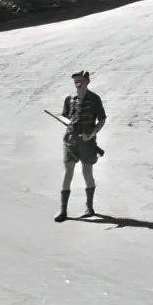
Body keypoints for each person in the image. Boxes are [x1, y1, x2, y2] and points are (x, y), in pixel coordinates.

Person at [56, 70, 105, 221]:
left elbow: (102, 120)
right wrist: (69, 125)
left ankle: (89, 208)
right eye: (76, 81)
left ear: (87, 82)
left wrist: (91, 134)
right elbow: (66, 117)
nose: (78, 83)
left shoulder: (95, 99)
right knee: (68, 171)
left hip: (87, 142)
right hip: (70, 140)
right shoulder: (69, 99)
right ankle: (63, 211)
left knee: (87, 173)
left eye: (81, 81)